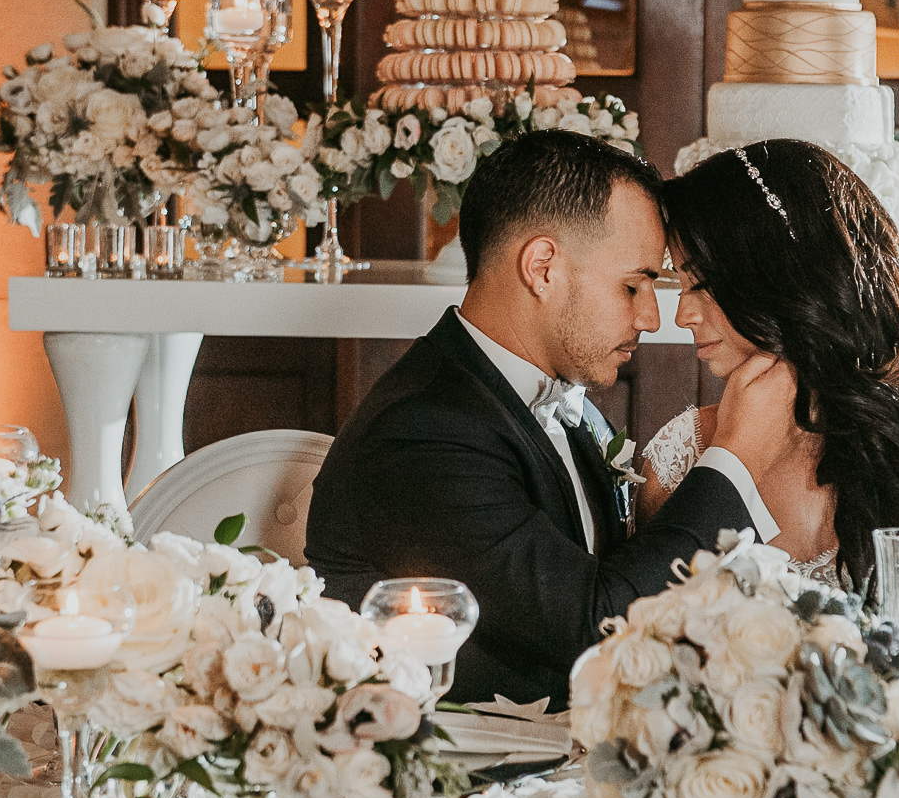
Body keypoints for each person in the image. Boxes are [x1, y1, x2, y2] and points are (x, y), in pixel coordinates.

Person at [305, 130, 800, 706]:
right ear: (542, 267)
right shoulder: (425, 430)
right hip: (458, 780)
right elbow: (597, 626)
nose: (649, 316)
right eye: (634, 284)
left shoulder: (552, 398)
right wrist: (735, 456)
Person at [639, 139, 899, 596]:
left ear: (784, 274)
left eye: (704, 284)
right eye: (681, 285)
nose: (681, 316)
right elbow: (636, 635)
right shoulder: (684, 454)